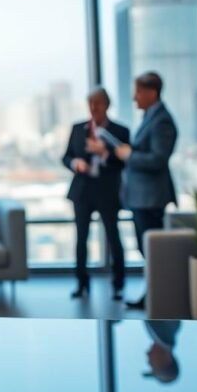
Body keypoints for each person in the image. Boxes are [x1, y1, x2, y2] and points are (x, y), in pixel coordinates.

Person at [116, 71, 178, 310]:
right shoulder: (150, 117)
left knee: (152, 251)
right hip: (141, 196)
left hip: (150, 197)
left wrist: (130, 155)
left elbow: (158, 159)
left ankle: (157, 296)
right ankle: (153, 294)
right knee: (147, 249)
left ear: (152, 92)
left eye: (139, 92)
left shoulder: (161, 120)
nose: (134, 98)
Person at [62, 87, 130, 300]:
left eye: (98, 103)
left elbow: (124, 162)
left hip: (107, 191)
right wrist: (75, 163)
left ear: (107, 105)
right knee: (81, 238)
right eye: (90, 103)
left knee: (113, 236)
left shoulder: (120, 131)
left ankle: (118, 283)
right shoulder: (78, 129)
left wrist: (105, 154)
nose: (94, 108)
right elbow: (66, 157)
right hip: (83, 191)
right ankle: (81, 282)